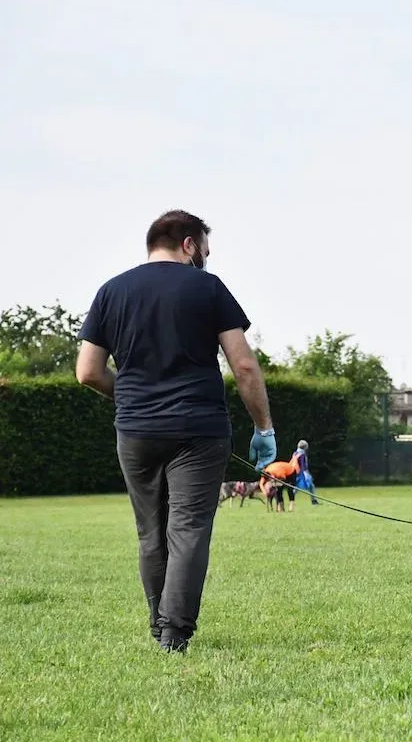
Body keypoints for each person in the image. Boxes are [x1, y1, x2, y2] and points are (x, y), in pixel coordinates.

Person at [75, 210, 277, 653]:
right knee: (188, 529)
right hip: (199, 430)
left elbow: (87, 372)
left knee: (151, 531)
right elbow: (243, 365)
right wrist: (264, 427)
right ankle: (174, 633)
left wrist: (130, 396)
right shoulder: (207, 287)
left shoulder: (111, 291)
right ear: (188, 245)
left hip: (136, 430)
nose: (206, 257)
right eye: (204, 249)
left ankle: (158, 624)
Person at [292, 439, 320, 506]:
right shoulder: (302, 454)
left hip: (295, 472)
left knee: (309, 486)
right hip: (302, 473)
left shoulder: (295, 453)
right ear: (305, 447)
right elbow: (303, 465)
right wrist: (307, 474)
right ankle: (314, 501)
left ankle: (314, 500)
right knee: (299, 487)